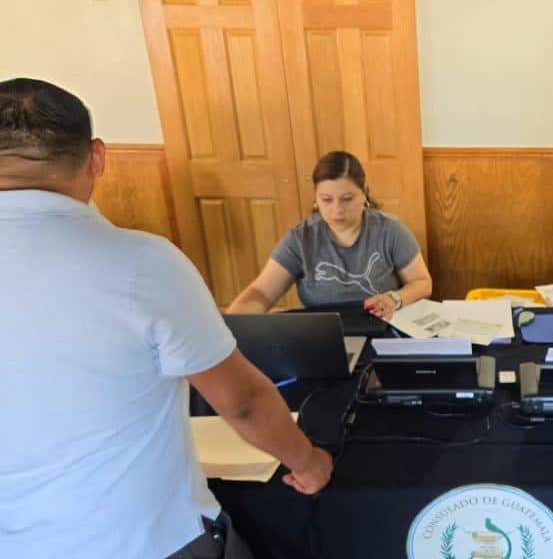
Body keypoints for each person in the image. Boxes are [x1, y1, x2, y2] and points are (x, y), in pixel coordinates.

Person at [0, 78, 333, 558]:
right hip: (146, 540)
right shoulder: (140, 263)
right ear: (97, 157)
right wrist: (308, 462)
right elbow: (242, 402)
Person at [227, 150, 431, 320]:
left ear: (364, 193)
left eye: (347, 199)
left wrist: (395, 298)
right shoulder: (301, 239)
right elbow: (261, 292)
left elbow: (422, 282)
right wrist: (232, 328)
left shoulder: (390, 230)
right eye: (326, 199)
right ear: (316, 198)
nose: (337, 210)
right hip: (322, 335)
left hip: (381, 328)